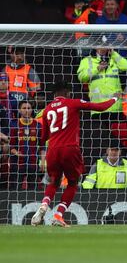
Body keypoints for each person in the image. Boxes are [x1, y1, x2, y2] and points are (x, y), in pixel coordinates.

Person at [31, 81, 118, 227]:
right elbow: (100, 107)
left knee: (54, 182)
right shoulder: (73, 103)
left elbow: (44, 137)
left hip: (52, 150)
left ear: (54, 94)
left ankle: (44, 204)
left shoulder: (47, 110)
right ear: (68, 93)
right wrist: (115, 98)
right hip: (70, 148)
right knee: (73, 182)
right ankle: (58, 215)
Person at [9, 100, 45, 190]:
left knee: (33, 192)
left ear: (32, 110)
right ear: (19, 110)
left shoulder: (38, 126)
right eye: (24, 108)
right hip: (17, 163)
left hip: (32, 163)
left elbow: (42, 146)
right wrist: (16, 153)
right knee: (15, 191)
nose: (26, 110)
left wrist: (43, 162)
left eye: (29, 108)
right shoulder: (14, 124)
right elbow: (11, 145)